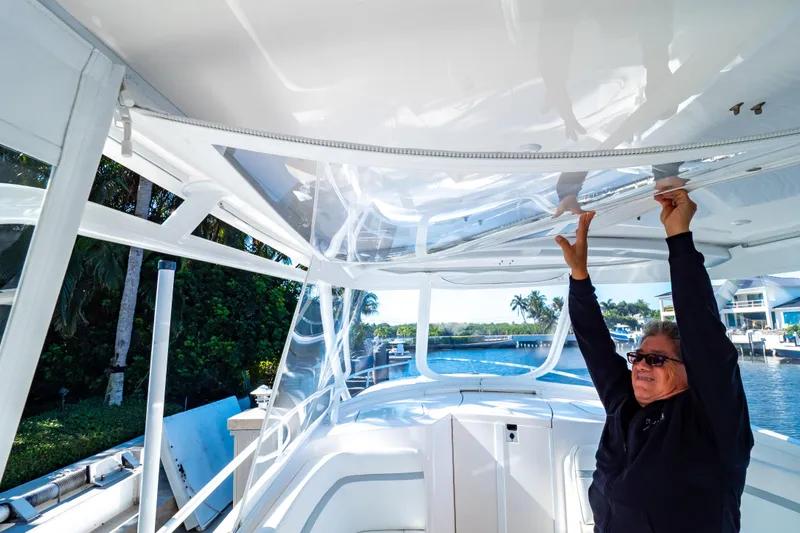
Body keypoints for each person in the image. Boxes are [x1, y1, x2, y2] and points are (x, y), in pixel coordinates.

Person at [555, 190, 754, 532]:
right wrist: (579, 278)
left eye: (657, 359)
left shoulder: (711, 420)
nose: (641, 366)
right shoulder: (623, 404)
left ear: (691, 370)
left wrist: (679, 238)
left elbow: (703, 332)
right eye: (638, 357)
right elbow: (596, 347)